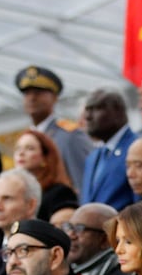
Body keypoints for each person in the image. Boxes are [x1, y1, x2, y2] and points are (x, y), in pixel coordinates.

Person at [17, 65, 94, 193]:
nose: (31, 98)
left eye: (38, 93)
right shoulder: (25, 139)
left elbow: (82, 183)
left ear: (54, 98)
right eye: (27, 93)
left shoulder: (70, 136)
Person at [81, 89, 140, 210]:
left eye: (96, 109)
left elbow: (141, 203)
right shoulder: (93, 157)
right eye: (87, 110)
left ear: (118, 111)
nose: (88, 117)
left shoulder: (138, 148)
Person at [66, 203, 128, 275]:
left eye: (79, 229)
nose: (71, 235)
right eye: (69, 227)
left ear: (105, 240)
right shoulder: (63, 273)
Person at [13, 128, 79, 220]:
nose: (21, 153)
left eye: (30, 148)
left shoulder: (60, 193)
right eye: (18, 148)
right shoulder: (16, 194)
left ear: (45, 157)